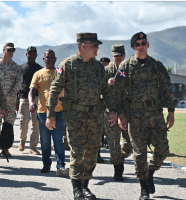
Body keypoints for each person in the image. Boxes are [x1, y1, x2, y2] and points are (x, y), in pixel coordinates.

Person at [45, 33, 118, 200]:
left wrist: (112, 110)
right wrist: (50, 115)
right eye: (94, 45)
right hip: (75, 117)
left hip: (95, 116)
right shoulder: (66, 65)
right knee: (77, 152)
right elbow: (54, 90)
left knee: (92, 154)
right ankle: (76, 188)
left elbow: (106, 91)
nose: (97, 48)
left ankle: (85, 186)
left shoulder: (98, 67)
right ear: (84, 46)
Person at [111, 32, 175, 200]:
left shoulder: (156, 65)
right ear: (133, 47)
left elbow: (166, 88)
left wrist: (171, 112)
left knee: (162, 149)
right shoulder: (125, 66)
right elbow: (117, 91)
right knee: (139, 153)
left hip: (155, 114)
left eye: (143, 43)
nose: (141, 46)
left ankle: (150, 173)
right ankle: (144, 189)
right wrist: (119, 114)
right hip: (135, 116)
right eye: (137, 44)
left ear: (148, 45)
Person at [29, 49, 68, 176]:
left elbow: (68, 88)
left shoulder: (60, 72)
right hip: (43, 112)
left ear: (55, 59)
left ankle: (61, 166)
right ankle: (46, 164)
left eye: (52, 57)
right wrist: (31, 102)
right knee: (45, 141)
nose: (50, 59)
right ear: (43, 59)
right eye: (48, 57)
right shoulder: (38, 74)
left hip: (59, 112)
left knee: (58, 140)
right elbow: (32, 91)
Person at [103, 44, 132, 181]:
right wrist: (106, 84)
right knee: (114, 143)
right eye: (116, 55)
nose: (118, 57)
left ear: (125, 55)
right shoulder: (106, 71)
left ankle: (120, 157)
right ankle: (118, 169)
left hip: (128, 113)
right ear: (112, 56)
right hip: (110, 113)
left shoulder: (130, 70)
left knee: (130, 142)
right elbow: (98, 90)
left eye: (121, 55)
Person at [0, 42, 22, 157]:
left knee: (8, 126)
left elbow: (19, 83)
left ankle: (5, 147)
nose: (11, 53)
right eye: (9, 50)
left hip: (10, 102)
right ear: (3, 51)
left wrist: (9, 96)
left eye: (13, 51)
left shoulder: (17, 67)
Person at [18, 46, 43, 155]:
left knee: (36, 123)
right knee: (25, 121)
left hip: (37, 98)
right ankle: (22, 141)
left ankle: (33, 146)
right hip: (24, 98)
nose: (31, 55)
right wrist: (16, 101)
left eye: (33, 53)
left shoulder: (40, 69)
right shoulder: (21, 68)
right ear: (26, 55)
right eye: (29, 53)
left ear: (36, 55)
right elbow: (17, 84)